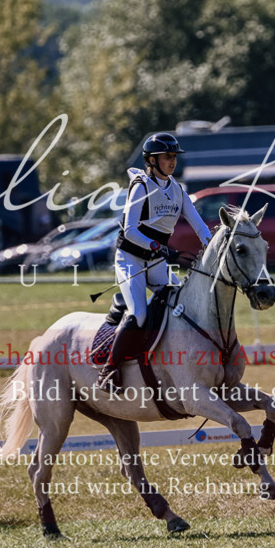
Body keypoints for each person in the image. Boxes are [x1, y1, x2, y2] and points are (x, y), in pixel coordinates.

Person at [96, 132, 212, 393]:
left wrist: (214, 244)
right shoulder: (140, 186)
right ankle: (110, 369)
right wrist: (159, 246)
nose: (172, 161)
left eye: (174, 157)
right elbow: (131, 230)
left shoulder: (178, 191)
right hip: (130, 259)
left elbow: (200, 226)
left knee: (181, 306)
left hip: (156, 261)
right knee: (139, 313)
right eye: (167, 157)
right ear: (151, 160)